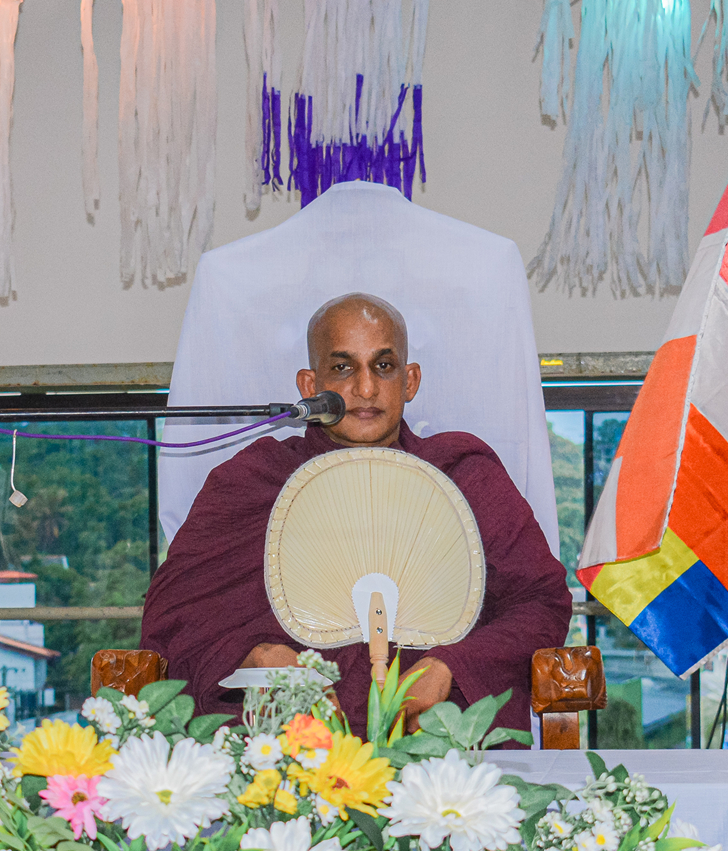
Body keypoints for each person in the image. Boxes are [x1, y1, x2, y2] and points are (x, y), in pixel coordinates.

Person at [140, 293, 572, 734]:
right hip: (288, 752)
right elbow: (177, 622)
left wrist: (449, 666)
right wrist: (254, 655)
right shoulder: (254, 480)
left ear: (410, 380)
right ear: (310, 386)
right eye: (343, 367)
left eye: (384, 366)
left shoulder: (463, 476)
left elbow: (541, 603)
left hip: (440, 748)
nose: (365, 389)